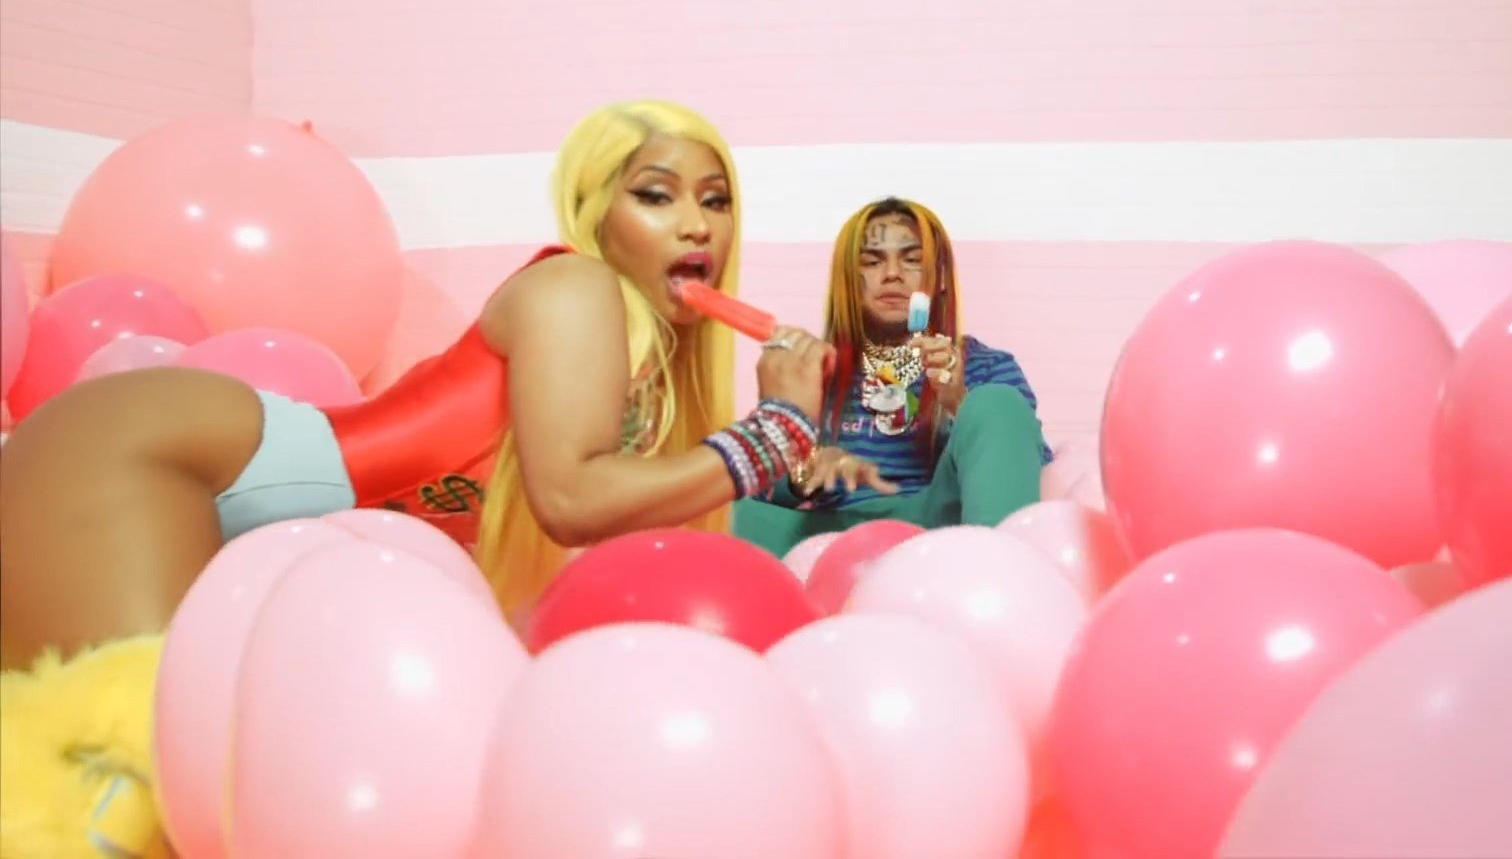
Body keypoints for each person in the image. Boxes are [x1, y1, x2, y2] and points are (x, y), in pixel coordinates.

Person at [0, 100, 835, 854]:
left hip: (248, 509)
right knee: (137, 772)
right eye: (656, 195)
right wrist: (775, 434)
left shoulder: (644, 362)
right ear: (595, 211)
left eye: (715, 201)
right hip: (147, 455)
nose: (695, 227)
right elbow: (570, 499)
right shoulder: (574, 287)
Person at [731, 197, 1052, 559]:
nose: (892, 274)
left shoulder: (987, 366)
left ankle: (998, 568)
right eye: (872, 262)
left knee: (996, 402)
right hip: (829, 537)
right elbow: (761, 486)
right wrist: (803, 472)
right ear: (848, 282)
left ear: (940, 278)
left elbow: (1029, 470)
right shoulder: (812, 368)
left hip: (939, 530)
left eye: (912, 260)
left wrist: (958, 403)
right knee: (720, 511)